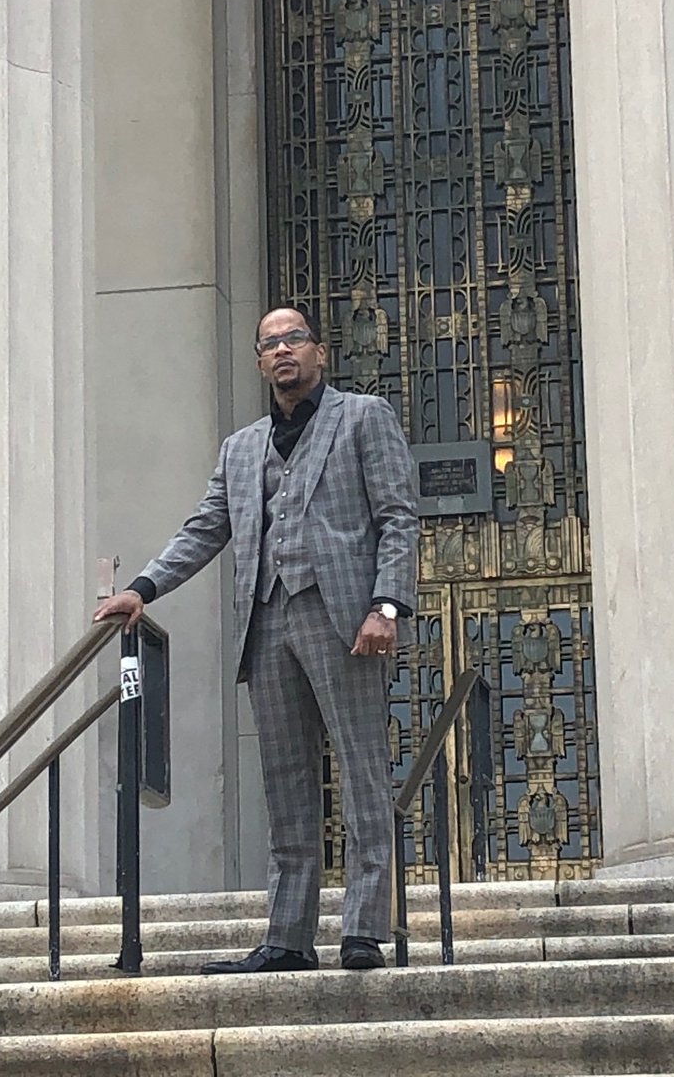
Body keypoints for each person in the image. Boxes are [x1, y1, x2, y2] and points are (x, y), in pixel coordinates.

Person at [95, 305, 419, 973]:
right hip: (267, 623)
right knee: (286, 784)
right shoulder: (241, 448)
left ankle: (363, 929)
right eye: (270, 344)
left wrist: (386, 605)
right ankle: (289, 937)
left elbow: (397, 517)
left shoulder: (364, 417)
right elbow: (204, 528)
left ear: (319, 351)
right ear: (260, 362)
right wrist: (145, 588)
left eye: (294, 339)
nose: (282, 351)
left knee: (361, 772)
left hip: (344, 620)